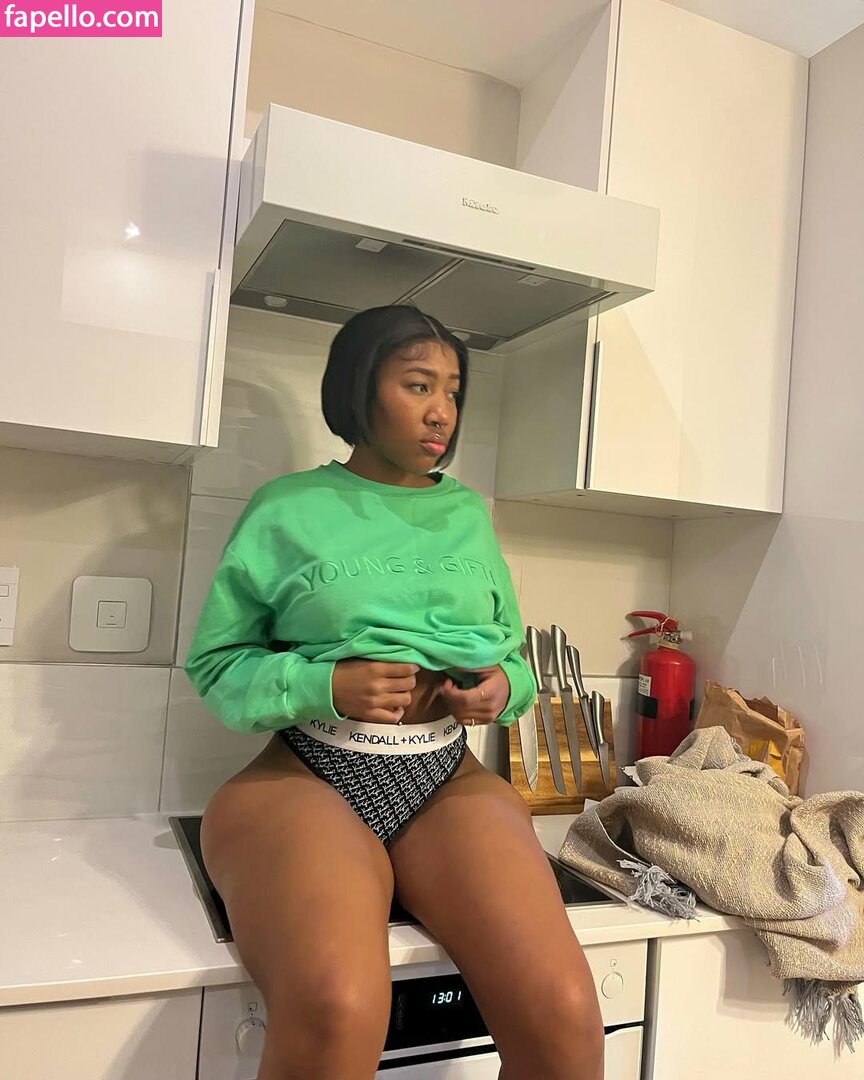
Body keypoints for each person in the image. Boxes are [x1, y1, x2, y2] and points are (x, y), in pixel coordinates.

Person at [185, 305, 605, 1080]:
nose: (441, 411)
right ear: (359, 389)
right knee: (337, 1006)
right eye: (418, 385)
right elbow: (216, 665)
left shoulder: (466, 515)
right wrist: (324, 683)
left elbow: (511, 659)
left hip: (446, 775)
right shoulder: (286, 508)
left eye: (452, 390)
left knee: (567, 1014)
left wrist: (501, 688)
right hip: (310, 772)